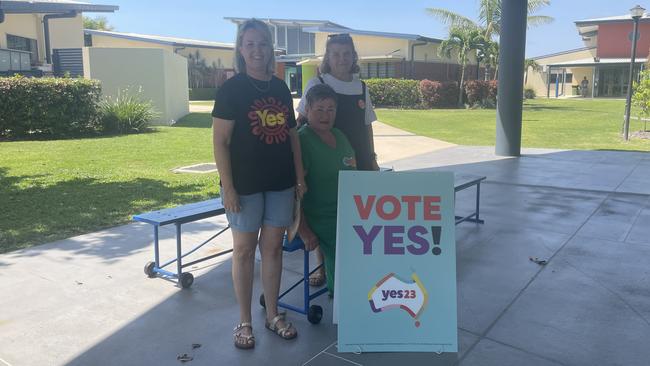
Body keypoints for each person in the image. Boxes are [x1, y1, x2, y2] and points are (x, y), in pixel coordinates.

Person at [212, 19, 306, 350]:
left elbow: (292, 136)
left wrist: (299, 176)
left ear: (270, 49)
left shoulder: (280, 88)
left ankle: (273, 314)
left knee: (273, 250)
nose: (257, 50)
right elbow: (220, 142)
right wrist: (229, 188)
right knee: (243, 251)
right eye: (250, 43)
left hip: (280, 184)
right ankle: (244, 320)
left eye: (262, 43)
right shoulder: (231, 89)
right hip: (245, 187)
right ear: (241, 49)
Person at [296, 33, 379, 287]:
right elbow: (301, 121)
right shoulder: (318, 83)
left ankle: (355, 265)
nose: (341, 59)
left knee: (355, 216)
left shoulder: (362, 87)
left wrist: (373, 159)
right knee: (327, 212)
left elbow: (367, 128)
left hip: (356, 158)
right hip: (322, 161)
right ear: (327, 58)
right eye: (335, 54)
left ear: (353, 57)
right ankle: (323, 269)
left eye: (346, 54)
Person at [298, 83, 356, 296]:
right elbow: (293, 193)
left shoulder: (340, 135)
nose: (325, 115)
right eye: (319, 109)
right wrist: (303, 230)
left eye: (331, 109)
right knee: (348, 245)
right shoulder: (302, 140)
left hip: (350, 211)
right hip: (321, 217)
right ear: (307, 111)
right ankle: (343, 297)